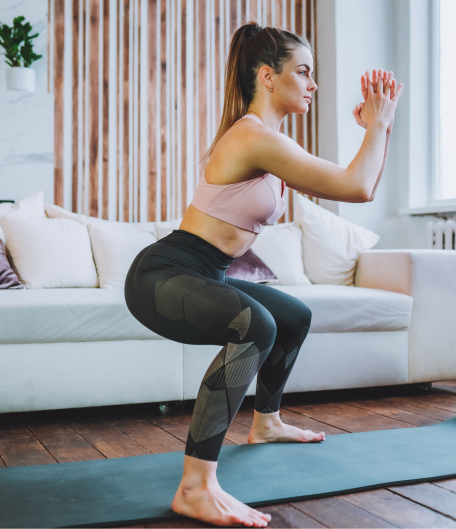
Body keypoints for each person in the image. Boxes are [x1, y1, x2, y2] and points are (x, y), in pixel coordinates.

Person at [123, 21, 402, 527]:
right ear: (269, 78)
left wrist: (374, 130)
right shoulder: (254, 136)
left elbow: (366, 187)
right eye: (304, 71)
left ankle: (267, 423)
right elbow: (356, 187)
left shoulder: (268, 139)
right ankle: (195, 486)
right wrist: (378, 125)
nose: (314, 84)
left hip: (206, 272)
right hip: (163, 274)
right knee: (257, 326)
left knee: (292, 315)